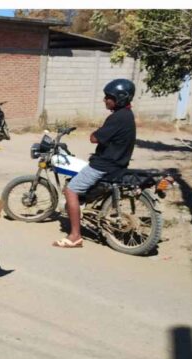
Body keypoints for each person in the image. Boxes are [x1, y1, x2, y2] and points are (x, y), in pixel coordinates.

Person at [54, 78, 137, 248]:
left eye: (108, 97)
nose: (105, 100)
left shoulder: (117, 117)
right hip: (118, 163)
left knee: (70, 190)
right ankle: (84, 208)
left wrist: (97, 132)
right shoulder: (127, 115)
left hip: (105, 165)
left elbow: (94, 138)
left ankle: (75, 236)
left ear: (120, 98)